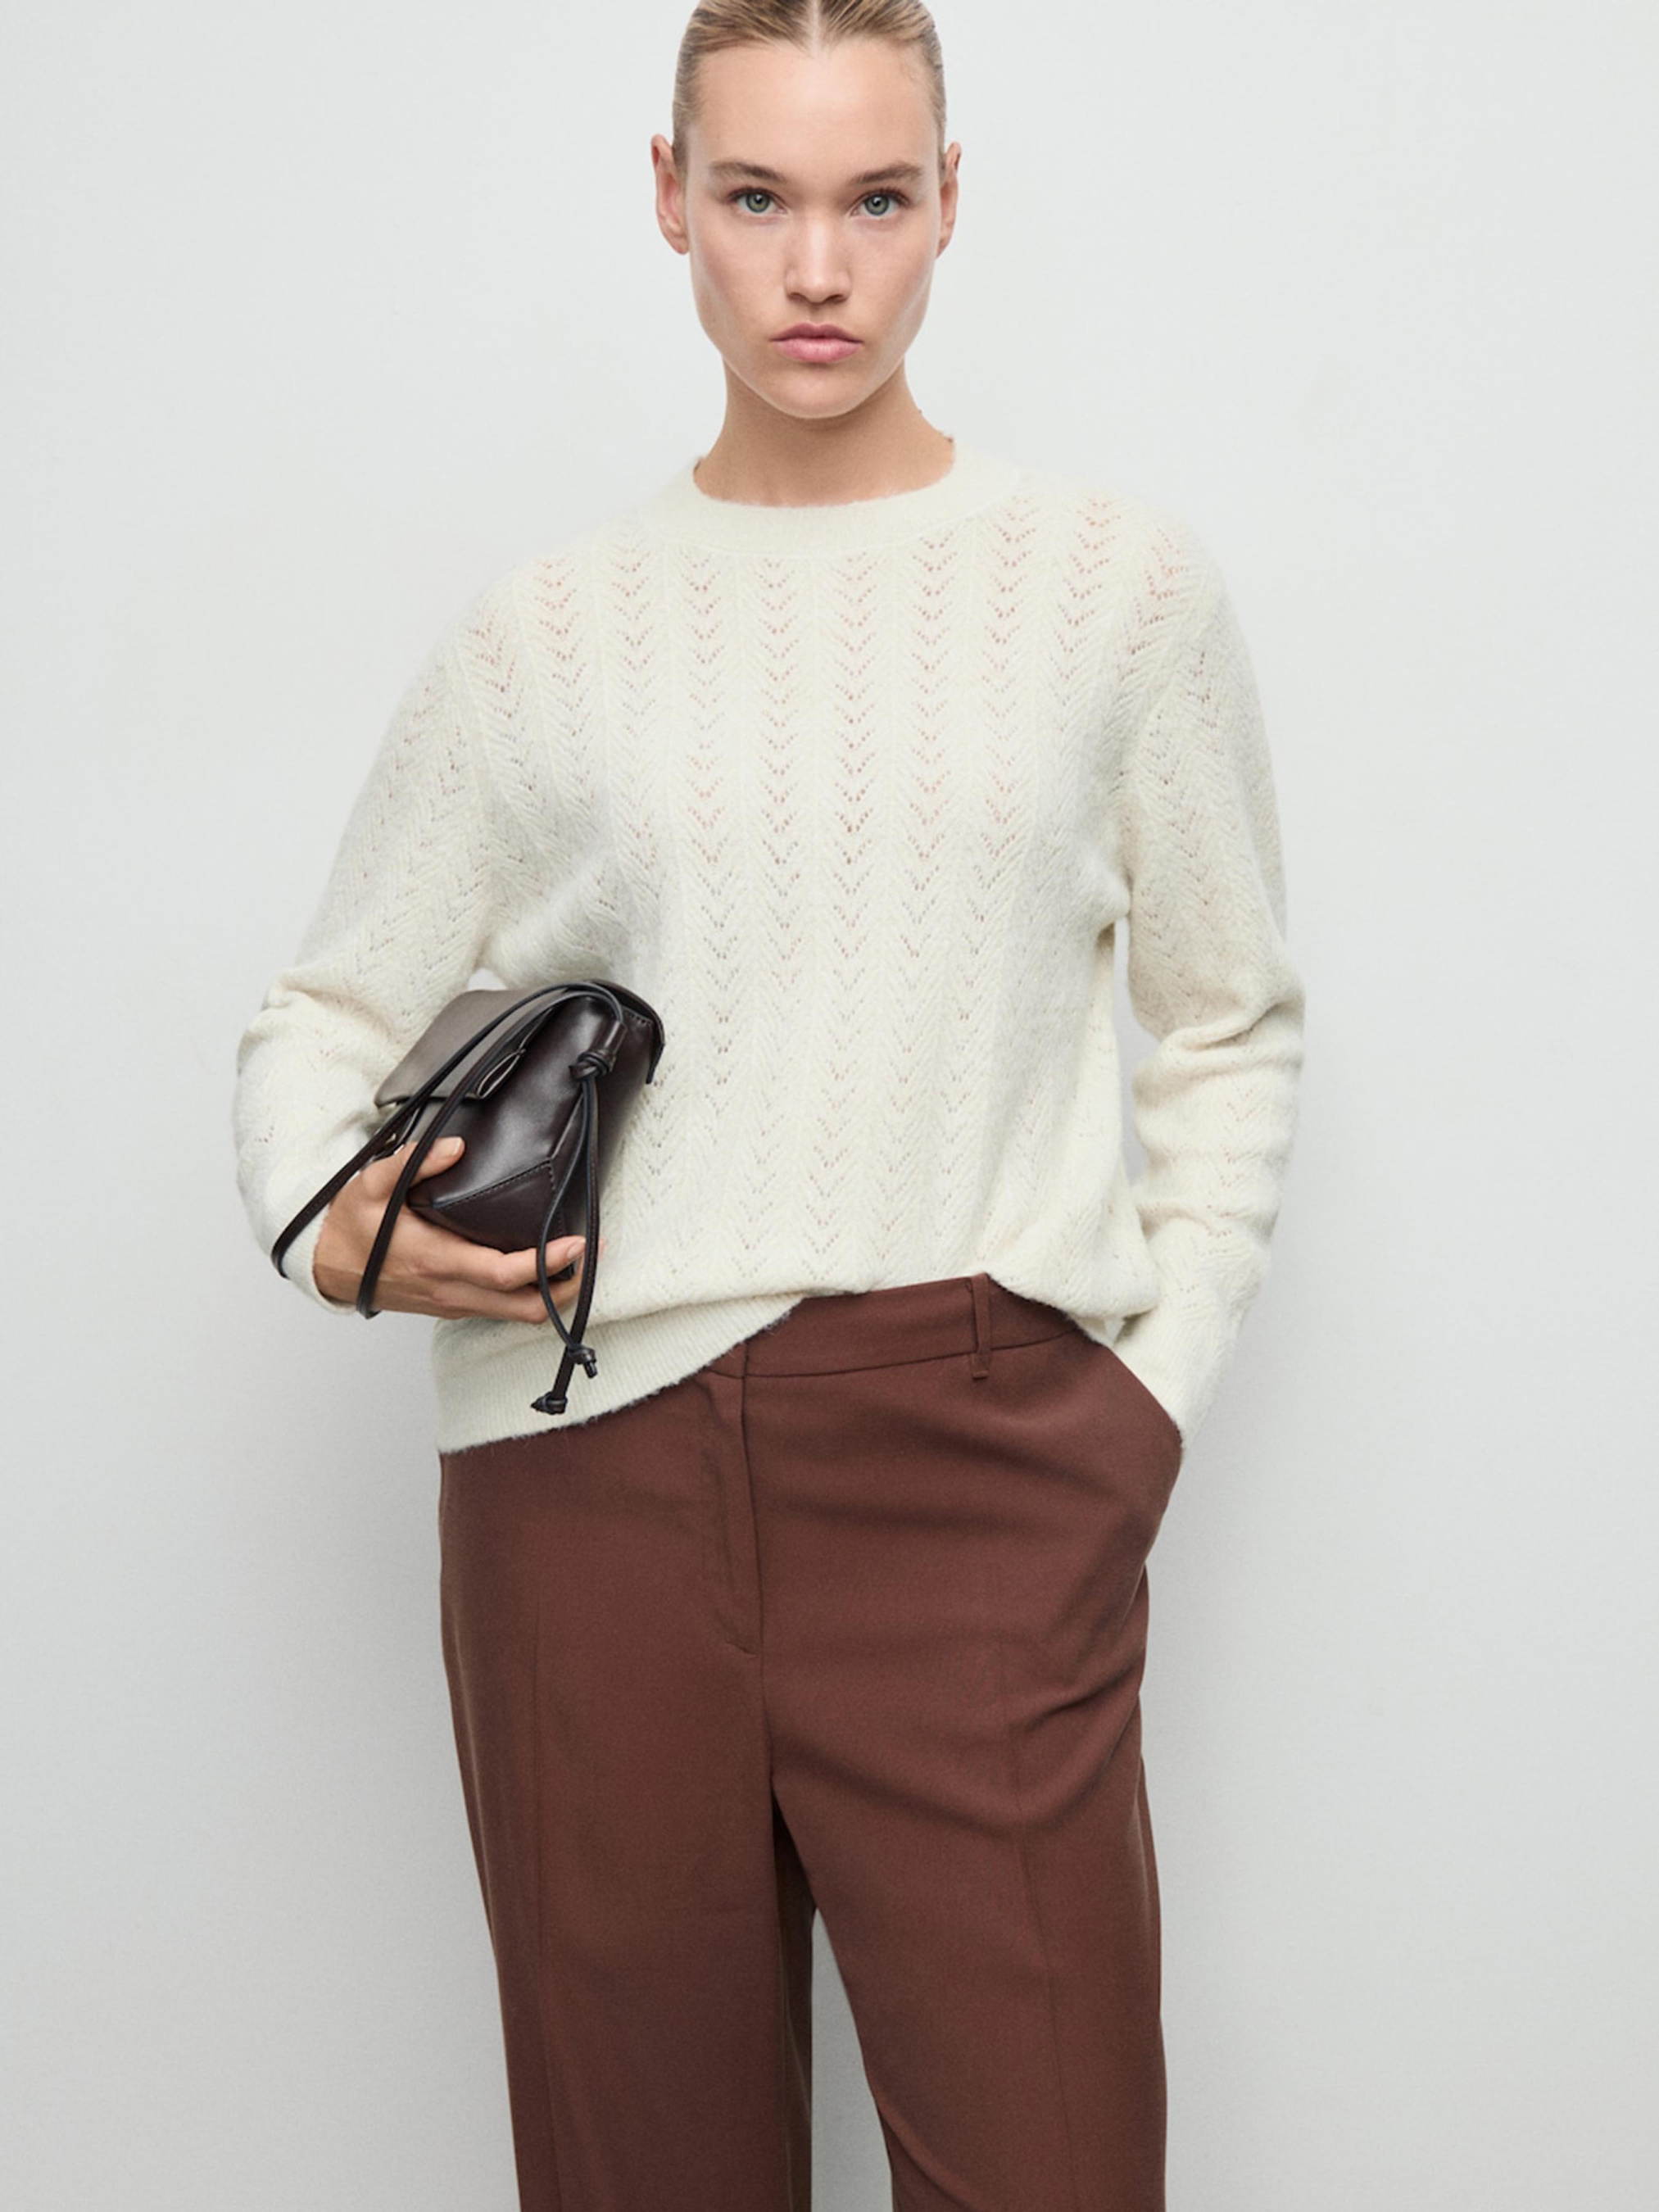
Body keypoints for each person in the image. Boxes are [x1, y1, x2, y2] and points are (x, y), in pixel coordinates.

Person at [233, 2, 1306, 2205]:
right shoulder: (547, 633)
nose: (818, 269)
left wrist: (1144, 1397)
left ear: (948, 205)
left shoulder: (1113, 592)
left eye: (874, 199)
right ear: (669, 200)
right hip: (585, 1489)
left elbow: (1227, 1021)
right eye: (757, 197)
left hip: (982, 1462)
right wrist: (328, 1223)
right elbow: (323, 1010)